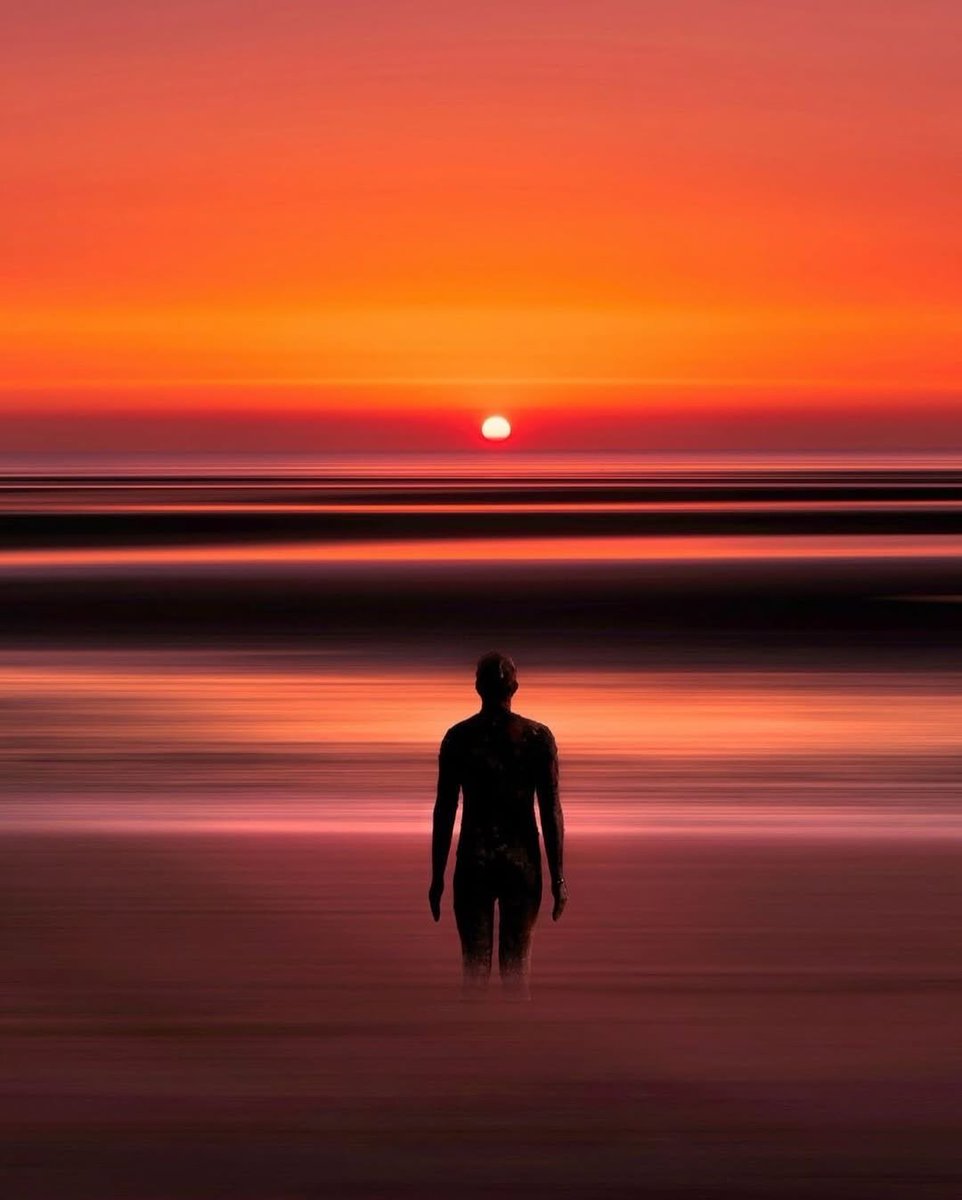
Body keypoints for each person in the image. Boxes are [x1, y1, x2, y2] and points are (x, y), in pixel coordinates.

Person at [429, 651, 567, 999]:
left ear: (478, 687)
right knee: (516, 973)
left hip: (474, 861)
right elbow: (550, 810)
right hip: (522, 864)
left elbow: (445, 810)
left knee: (474, 970)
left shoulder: (459, 738)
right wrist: (558, 878)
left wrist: (437, 877)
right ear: (515, 687)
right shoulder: (537, 738)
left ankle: (475, 1030)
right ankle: (514, 1031)